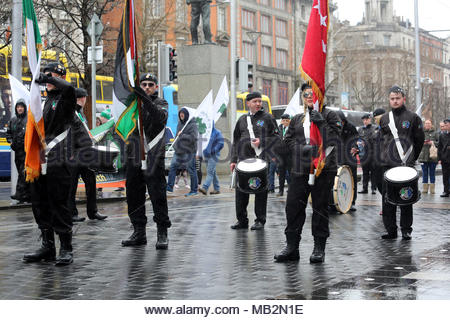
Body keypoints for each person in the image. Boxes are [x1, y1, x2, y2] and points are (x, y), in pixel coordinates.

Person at [23, 62, 83, 265]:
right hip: (41, 160)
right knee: (40, 204)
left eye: (52, 75)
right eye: (46, 75)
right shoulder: (44, 101)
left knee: (59, 204)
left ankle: (66, 248)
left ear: (60, 76)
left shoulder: (65, 98)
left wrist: (47, 78)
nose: (48, 79)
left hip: (58, 160)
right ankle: (47, 247)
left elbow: (69, 89)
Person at [274, 84, 342, 263]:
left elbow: (335, 139)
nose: (310, 97)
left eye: (313, 94)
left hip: (323, 169)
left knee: (320, 208)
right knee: (293, 208)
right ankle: (292, 247)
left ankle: (319, 248)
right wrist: (301, 149)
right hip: (300, 169)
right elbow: (286, 141)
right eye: (306, 95)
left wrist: (320, 122)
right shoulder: (297, 119)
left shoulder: (330, 116)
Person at [122, 73, 172, 249]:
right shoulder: (133, 106)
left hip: (153, 157)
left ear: (156, 87)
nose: (147, 87)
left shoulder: (161, 103)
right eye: (143, 85)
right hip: (134, 156)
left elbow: (160, 118)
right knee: (133, 196)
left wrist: (145, 99)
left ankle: (162, 232)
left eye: (151, 85)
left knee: (158, 195)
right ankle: (139, 232)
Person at [378, 86, 424, 240]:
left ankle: (406, 229)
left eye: (398, 98)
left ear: (403, 99)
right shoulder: (384, 118)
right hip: (387, 165)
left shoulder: (413, 117)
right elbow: (380, 140)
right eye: (392, 98)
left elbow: (419, 140)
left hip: (405, 164)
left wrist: (411, 159)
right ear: (389, 100)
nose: (395, 101)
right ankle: (391, 230)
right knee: (387, 199)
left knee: (406, 197)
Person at [230, 91, 280, 231]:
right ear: (248, 103)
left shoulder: (268, 118)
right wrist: (233, 160)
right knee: (240, 192)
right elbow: (236, 141)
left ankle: (260, 220)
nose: (258, 104)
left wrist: (262, 141)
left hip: (261, 161)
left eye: (260, 101)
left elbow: (277, 138)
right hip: (243, 161)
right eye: (255, 101)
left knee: (260, 191)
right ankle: (242, 220)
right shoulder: (241, 120)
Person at [68, 88, 107, 222]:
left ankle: (93, 211)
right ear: (82, 98)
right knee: (72, 185)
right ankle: (71, 213)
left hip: (85, 153)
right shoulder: (71, 113)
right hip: (75, 154)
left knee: (91, 182)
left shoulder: (80, 113)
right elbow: (70, 134)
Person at [167, 107, 199, 196]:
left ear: (186, 115)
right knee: (172, 167)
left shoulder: (193, 124)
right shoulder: (179, 124)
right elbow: (177, 136)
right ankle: (169, 187)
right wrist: (175, 146)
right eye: (180, 114)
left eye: (183, 114)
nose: (181, 115)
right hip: (179, 151)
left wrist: (183, 135)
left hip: (189, 151)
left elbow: (193, 138)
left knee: (191, 170)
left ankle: (194, 190)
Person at [6, 99, 31, 203]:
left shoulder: (28, 120)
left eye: (21, 107)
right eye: (18, 107)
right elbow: (9, 133)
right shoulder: (13, 120)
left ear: (24, 108)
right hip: (17, 152)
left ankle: (20, 194)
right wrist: (11, 141)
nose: (20, 108)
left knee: (23, 173)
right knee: (22, 173)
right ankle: (26, 196)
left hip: (26, 152)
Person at [334, 110, 358, 212]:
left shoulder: (351, 127)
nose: (341, 123)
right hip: (337, 156)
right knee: (337, 180)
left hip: (350, 157)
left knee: (352, 179)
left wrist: (355, 147)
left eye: (342, 121)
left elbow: (357, 140)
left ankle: (352, 201)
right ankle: (337, 200)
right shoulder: (333, 127)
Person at [199, 126, 224, 195]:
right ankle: (217, 189)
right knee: (213, 172)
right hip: (207, 154)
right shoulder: (205, 132)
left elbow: (221, 143)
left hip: (214, 155)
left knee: (209, 172)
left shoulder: (217, 132)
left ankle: (205, 187)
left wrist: (214, 150)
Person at [418, 119, 439, 194]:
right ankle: (425, 189)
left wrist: (432, 142)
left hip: (433, 156)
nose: (427, 125)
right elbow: (417, 142)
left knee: (432, 172)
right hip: (423, 157)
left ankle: (432, 189)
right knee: (424, 173)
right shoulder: (421, 133)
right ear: (424, 124)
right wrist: (421, 142)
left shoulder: (435, 133)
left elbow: (439, 143)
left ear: (431, 124)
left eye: (429, 123)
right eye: (426, 123)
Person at [358, 114, 377, 194]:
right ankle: (364, 188)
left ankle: (373, 188)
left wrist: (365, 142)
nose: (365, 121)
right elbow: (357, 139)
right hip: (364, 154)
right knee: (365, 172)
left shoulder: (374, 128)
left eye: (367, 119)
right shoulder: (360, 129)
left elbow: (375, 139)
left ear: (370, 119)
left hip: (373, 154)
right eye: (364, 120)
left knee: (373, 172)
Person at [276, 113, 292, 197]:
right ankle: (280, 190)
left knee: (290, 172)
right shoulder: (278, 129)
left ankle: (291, 189)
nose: (285, 122)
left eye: (287, 120)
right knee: (281, 173)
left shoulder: (292, 129)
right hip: (280, 154)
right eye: (283, 120)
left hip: (289, 154)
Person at [438, 118, 450, 197]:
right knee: (445, 176)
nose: (445, 126)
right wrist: (439, 158)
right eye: (444, 125)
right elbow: (439, 147)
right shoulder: (442, 135)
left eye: (447, 125)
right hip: (445, 159)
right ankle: (446, 191)